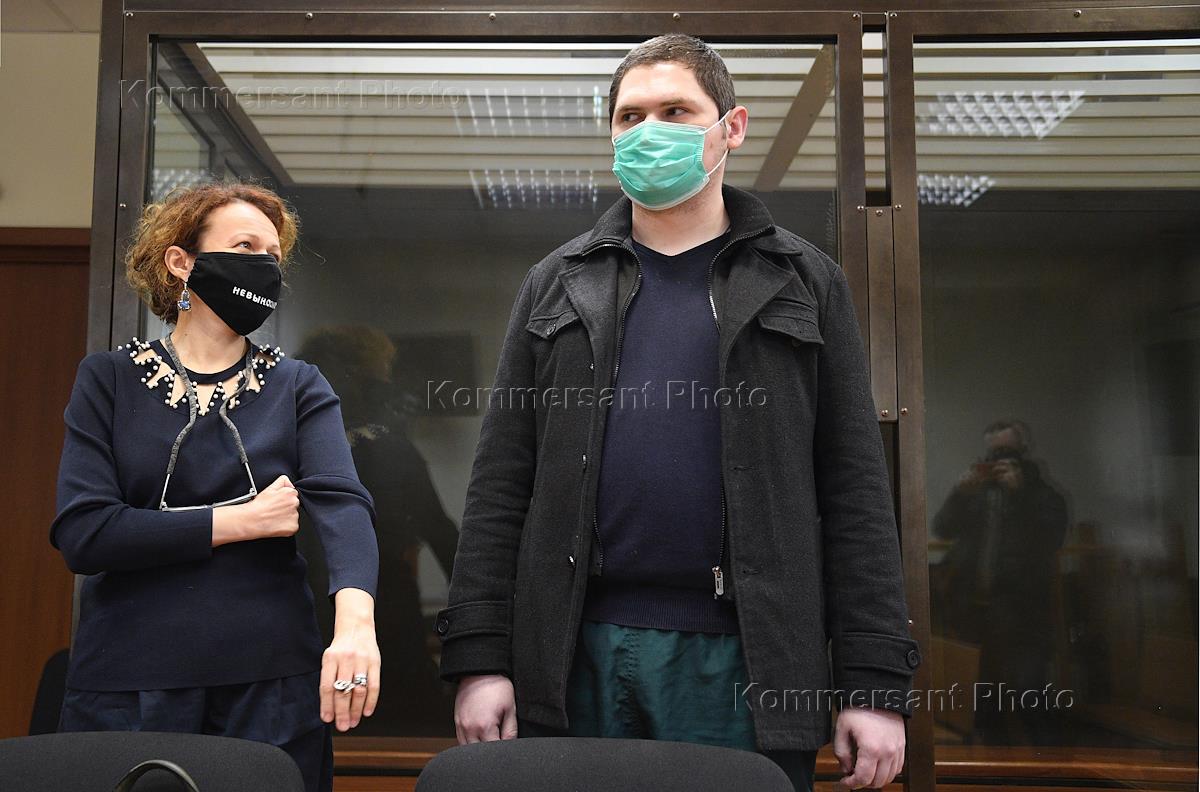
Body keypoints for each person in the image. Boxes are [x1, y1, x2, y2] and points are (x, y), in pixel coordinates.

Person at [437, 35, 919, 792]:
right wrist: (479, 659)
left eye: (675, 111)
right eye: (630, 117)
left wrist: (874, 683)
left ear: (732, 127)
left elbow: (855, 490)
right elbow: (501, 485)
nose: (649, 131)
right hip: (575, 652)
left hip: (748, 659)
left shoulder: (803, 281)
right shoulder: (557, 281)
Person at [51, 182, 381, 792]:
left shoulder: (298, 385)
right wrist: (240, 521)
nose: (265, 265)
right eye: (245, 247)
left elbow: (343, 504)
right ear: (182, 262)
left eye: (273, 255)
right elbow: (85, 532)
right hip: (129, 684)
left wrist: (356, 623)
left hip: (271, 686)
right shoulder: (108, 380)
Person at [298, 325, 459, 735]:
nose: (390, 380)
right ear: (364, 375)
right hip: (384, 606)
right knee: (404, 720)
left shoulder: (293, 439)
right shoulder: (387, 445)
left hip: (306, 606)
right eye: (384, 369)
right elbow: (439, 530)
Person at [932, 420, 1068, 744]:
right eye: (993, 454)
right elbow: (942, 527)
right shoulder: (978, 494)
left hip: (1023, 609)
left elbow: (1052, 536)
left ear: (1023, 451)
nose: (999, 460)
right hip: (975, 606)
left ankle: (1044, 759)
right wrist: (960, 493)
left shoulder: (1043, 494)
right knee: (980, 690)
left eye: (1006, 452)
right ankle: (987, 753)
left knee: (1028, 688)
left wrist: (1021, 494)